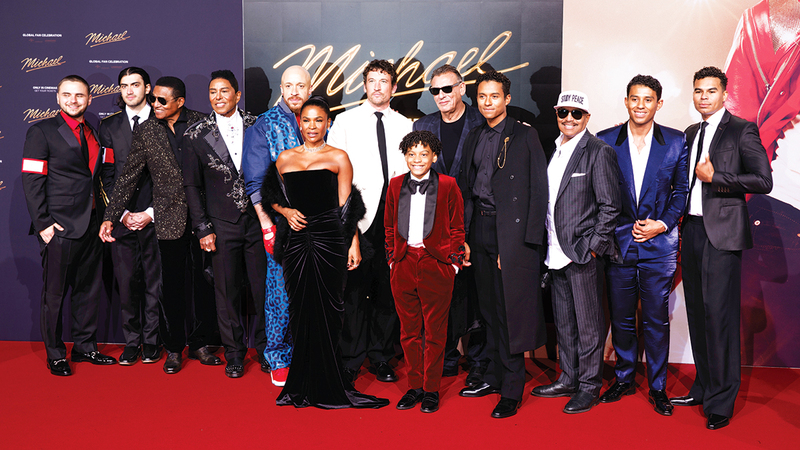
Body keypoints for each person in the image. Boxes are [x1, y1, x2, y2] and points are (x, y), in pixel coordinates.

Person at [261, 97, 389, 409]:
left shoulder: (338, 157)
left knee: (330, 309)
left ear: (328, 123)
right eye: (306, 120)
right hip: (296, 244)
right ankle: (302, 381)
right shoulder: (285, 158)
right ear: (299, 123)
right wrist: (286, 212)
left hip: (330, 240)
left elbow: (348, 206)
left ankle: (328, 381)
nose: (312, 126)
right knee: (300, 307)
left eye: (318, 120)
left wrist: (353, 243)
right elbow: (270, 196)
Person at [670, 66, 772, 430]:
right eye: (699, 91)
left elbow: (763, 180)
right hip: (692, 231)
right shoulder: (690, 132)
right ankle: (703, 386)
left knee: (720, 318)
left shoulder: (742, 129)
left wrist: (717, 178)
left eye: (711, 91)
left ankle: (722, 400)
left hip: (723, 236)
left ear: (724, 95)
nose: (704, 97)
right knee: (698, 314)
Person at [100, 76, 221, 374]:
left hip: (203, 218)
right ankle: (174, 348)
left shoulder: (203, 123)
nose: (154, 104)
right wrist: (110, 216)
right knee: (171, 288)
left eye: (162, 100)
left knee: (204, 285)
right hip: (168, 219)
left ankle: (201, 343)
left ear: (180, 101)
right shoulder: (146, 130)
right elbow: (128, 176)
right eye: (153, 98)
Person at [457, 70, 548, 419]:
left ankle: (512, 388)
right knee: (488, 310)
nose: (487, 102)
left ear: (507, 99)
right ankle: (494, 376)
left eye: (494, 96)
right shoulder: (474, 135)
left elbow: (538, 192)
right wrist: (465, 237)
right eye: (482, 96)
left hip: (509, 232)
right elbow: (467, 188)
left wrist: (523, 246)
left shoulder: (525, 135)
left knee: (509, 312)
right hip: (479, 229)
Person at [596, 75, 689, 416]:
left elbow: (681, 191)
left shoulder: (676, 141)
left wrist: (661, 225)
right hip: (619, 243)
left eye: (648, 99)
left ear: (658, 104)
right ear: (626, 101)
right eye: (634, 98)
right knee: (621, 318)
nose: (640, 105)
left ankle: (658, 387)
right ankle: (623, 378)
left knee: (655, 319)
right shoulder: (605, 140)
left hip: (659, 244)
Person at [531, 90, 621, 414]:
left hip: (582, 255)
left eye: (576, 113)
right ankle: (568, 379)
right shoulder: (554, 149)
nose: (569, 118)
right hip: (555, 253)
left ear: (587, 117)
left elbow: (611, 207)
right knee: (565, 324)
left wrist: (592, 249)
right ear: (556, 113)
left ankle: (589, 386)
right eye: (563, 112)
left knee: (589, 326)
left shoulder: (598, 151)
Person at [22, 75, 117, 376]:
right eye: (67, 95)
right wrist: (44, 225)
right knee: (54, 295)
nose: (73, 100)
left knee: (88, 291)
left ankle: (85, 347)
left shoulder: (95, 132)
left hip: (92, 225)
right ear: (58, 98)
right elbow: (32, 181)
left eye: (79, 95)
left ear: (89, 99)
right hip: (59, 228)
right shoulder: (41, 131)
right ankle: (55, 354)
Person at [328, 60, 413, 383]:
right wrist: (347, 225)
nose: (378, 86)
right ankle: (351, 358)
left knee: (387, 291)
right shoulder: (345, 121)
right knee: (354, 291)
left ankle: (381, 356)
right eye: (372, 81)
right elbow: (335, 175)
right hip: (358, 218)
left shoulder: (404, 124)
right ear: (364, 86)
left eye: (384, 81)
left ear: (394, 87)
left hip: (394, 219)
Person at [182, 70, 267, 378]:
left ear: (237, 94)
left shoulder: (258, 125)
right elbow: (191, 186)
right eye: (213, 92)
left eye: (224, 91)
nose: (218, 97)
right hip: (220, 224)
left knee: (263, 289)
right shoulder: (195, 134)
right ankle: (234, 353)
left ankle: (266, 349)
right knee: (226, 292)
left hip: (257, 221)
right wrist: (202, 227)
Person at [412, 64, 487, 384]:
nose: (441, 95)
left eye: (447, 88)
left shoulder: (482, 121)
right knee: (442, 293)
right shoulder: (423, 125)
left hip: (477, 219)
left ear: (461, 88)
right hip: (436, 223)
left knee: (478, 293)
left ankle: (480, 360)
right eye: (435, 90)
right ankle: (448, 356)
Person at [385, 130, 466, 413]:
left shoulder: (448, 185)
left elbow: (457, 226)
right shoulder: (395, 185)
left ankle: (431, 389)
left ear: (434, 156)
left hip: (436, 264)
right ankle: (414, 387)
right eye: (412, 154)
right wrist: (392, 260)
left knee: (434, 332)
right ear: (405, 157)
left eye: (423, 154)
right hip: (404, 263)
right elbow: (389, 226)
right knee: (408, 332)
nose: (417, 159)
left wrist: (453, 264)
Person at [242, 65, 312, 385]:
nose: (295, 91)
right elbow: (255, 182)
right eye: (289, 85)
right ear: (281, 89)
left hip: (316, 223)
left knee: (312, 292)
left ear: (310, 88)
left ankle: (307, 352)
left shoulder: (319, 120)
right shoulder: (264, 124)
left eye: (301, 85)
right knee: (280, 292)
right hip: (280, 223)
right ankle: (278, 356)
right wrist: (267, 225)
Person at [98, 67, 161, 365]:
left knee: (155, 283)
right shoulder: (109, 126)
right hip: (122, 220)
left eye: (135, 85)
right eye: (124, 86)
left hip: (156, 217)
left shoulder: (162, 120)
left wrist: (150, 212)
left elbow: (172, 176)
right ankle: (132, 341)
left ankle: (152, 341)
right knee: (126, 284)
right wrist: (120, 213)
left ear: (147, 88)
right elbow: (106, 174)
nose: (129, 91)